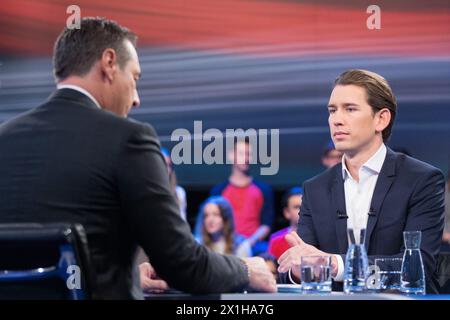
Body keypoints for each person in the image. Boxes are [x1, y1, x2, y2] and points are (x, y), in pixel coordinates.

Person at [0, 17, 276, 299]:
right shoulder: (128, 138)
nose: (136, 99)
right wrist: (244, 269)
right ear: (109, 63)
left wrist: (130, 271)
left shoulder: (3, 138)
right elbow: (183, 264)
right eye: (134, 78)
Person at [278, 69, 445, 293]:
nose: (336, 120)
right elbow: (302, 262)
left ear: (381, 119)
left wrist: (335, 264)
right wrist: (298, 269)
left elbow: (418, 266)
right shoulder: (315, 188)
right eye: (332, 110)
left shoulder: (421, 180)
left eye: (350, 109)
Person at [211, 139, 275, 256]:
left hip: (254, 245)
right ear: (231, 155)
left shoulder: (263, 189)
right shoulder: (219, 191)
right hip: (225, 244)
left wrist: (249, 242)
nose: (246, 158)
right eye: (241, 153)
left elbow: (266, 224)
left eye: (248, 154)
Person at [267, 187, 303, 259]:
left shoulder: (320, 238)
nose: (303, 210)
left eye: (306, 206)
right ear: (287, 212)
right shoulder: (276, 240)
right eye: (297, 207)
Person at [161, 147, 187, 222]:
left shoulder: (179, 193)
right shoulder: (145, 192)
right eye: (161, 164)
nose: (166, 169)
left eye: (168, 165)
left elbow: (182, 222)